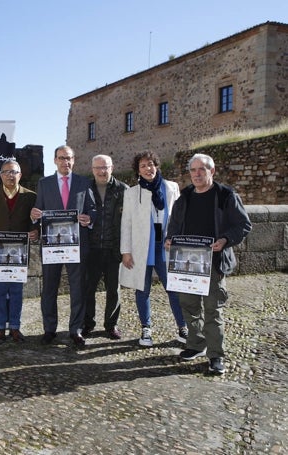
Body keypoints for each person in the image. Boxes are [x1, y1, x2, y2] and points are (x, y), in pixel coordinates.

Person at [165, 153, 251, 375]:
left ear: (211, 171)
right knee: (189, 306)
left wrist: (225, 240)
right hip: (187, 263)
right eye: (193, 170)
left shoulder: (226, 196)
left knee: (213, 310)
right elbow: (174, 225)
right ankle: (196, 344)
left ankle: (215, 355)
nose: (196, 174)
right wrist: (169, 239)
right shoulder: (184, 197)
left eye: (201, 169)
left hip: (214, 263)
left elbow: (243, 225)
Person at [30, 145, 95, 347]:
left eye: (68, 158)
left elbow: (93, 209)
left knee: (78, 289)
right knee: (49, 289)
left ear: (74, 160)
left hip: (77, 246)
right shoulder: (44, 183)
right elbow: (38, 210)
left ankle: (75, 330)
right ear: (55, 160)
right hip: (52, 247)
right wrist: (34, 216)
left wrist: (89, 218)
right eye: (61, 158)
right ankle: (50, 329)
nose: (65, 162)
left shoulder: (85, 182)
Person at [120, 150, 187, 347]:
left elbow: (179, 216)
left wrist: (176, 238)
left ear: (156, 166)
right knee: (143, 289)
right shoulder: (132, 193)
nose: (148, 169)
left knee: (174, 288)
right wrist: (126, 251)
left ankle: (183, 327)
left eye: (151, 164)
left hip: (166, 246)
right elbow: (126, 223)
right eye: (143, 166)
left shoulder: (171, 187)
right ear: (138, 171)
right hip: (143, 247)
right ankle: (146, 328)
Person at [0, 159, 38, 343]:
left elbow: (34, 221)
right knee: (0, 291)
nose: (10, 175)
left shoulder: (31, 196)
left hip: (20, 253)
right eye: (6, 172)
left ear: (20, 175)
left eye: (14, 172)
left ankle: (15, 328)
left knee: (17, 291)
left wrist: (35, 231)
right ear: (0, 175)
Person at [82, 154, 128, 340]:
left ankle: (111, 325)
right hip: (90, 248)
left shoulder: (123, 189)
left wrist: (126, 250)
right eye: (97, 168)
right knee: (88, 289)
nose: (102, 171)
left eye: (105, 167)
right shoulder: (84, 189)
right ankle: (87, 324)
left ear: (112, 167)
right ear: (92, 170)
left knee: (113, 290)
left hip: (113, 249)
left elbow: (130, 222)